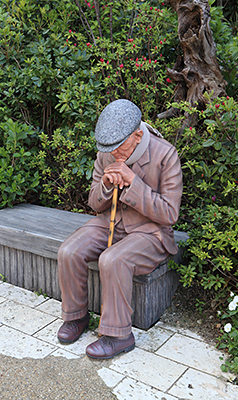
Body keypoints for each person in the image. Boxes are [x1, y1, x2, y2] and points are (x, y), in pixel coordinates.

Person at [56, 99, 183, 359]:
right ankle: (76, 316)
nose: (113, 154)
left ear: (138, 135)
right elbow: (95, 204)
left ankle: (118, 335)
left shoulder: (165, 155)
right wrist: (104, 184)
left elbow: (170, 214)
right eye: (108, 148)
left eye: (118, 147)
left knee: (113, 259)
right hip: (110, 222)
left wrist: (133, 183)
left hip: (151, 232)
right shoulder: (107, 152)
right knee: (69, 250)